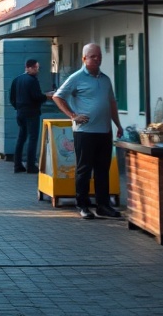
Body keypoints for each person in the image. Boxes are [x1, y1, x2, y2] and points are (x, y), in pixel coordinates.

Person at [52, 43, 123, 219]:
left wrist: (118, 125)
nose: (97, 59)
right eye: (93, 56)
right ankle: (82, 205)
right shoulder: (76, 78)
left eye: (99, 56)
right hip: (85, 132)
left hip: (104, 131)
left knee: (102, 170)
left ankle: (103, 205)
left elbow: (112, 103)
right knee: (84, 169)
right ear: (84, 58)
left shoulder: (105, 79)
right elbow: (57, 96)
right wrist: (72, 115)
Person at [10, 59, 53, 173]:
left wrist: (18, 107)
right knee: (32, 138)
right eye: (35, 68)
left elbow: (12, 98)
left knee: (21, 138)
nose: (37, 70)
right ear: (28, 67)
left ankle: (17, 165)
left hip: (20, 112)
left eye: (37, 68)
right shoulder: (32, 81)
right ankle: (30, 165)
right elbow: (36, 97)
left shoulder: (17, 80)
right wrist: (47, 96)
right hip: (32, 113)